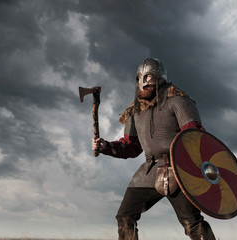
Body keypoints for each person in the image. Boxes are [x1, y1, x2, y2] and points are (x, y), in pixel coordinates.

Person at [92, 58, 216, 240]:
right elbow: (131, 147)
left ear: (159, 79)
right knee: (125, 216)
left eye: (148, 77)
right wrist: (106, 146)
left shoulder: (178, 102)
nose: (143, 82)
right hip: (150, 169)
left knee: (192, 222)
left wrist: (196, 172)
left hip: (179, 169)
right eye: (140, 78)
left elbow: (195, 138)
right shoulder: (135, 110)